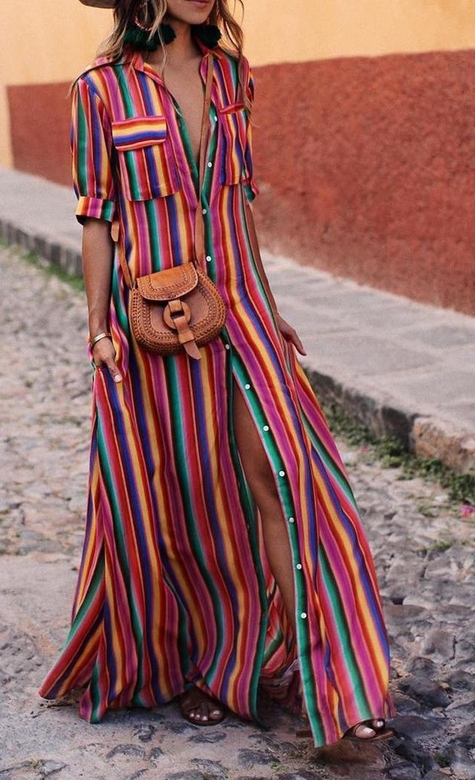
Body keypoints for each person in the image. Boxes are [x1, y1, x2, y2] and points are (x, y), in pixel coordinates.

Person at [39, 0, 394, 746]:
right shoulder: (99, 90)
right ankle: (219, 663)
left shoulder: (230, 75)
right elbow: (97, 217)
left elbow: (239, 205)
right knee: (192, 501)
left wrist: (269, 301)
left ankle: (336, 675)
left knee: (289, 475)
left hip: (243, 313)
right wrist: (98, 328)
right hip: (158, 327)